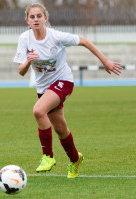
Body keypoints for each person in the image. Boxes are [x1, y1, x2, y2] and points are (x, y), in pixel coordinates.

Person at [13, 3, 122, 178]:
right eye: (32, 17)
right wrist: (27, 61)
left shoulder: (56, 36)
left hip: (63, 81)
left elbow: (84, 41)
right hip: (43, 88)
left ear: (45, 18)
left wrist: (105, 61)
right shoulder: (24, 39)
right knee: (60, 129)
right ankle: (75, 159)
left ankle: (48, 157)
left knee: (38, 110)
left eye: (39, 16)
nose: (36, 20)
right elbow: (21, 71)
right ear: (27, 20)